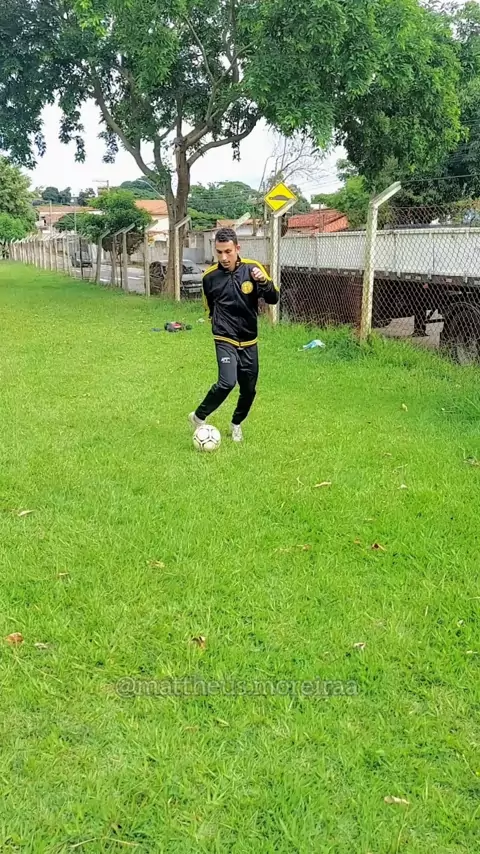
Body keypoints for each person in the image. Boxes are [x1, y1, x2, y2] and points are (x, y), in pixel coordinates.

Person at [189, 227, 279, 442]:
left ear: (237, 248)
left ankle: (236, 423)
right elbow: (209, 306)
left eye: (228, 251)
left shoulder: (253, 269)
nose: (223, 257)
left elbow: (273, 298)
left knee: (249, 390)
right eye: (219, 252)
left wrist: (264, 283)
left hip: (249, 339)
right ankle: (199, 416)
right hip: (224, 337)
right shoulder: (209, 277)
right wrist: (217, 323)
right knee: (227, 382)